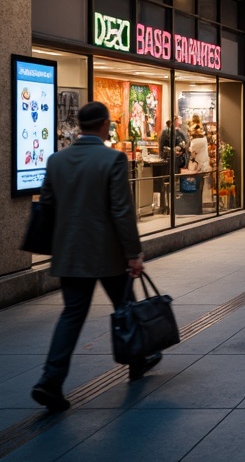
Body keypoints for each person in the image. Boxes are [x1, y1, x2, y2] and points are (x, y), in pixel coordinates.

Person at [32, 101, 156, 413]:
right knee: (125, 306)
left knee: (72, 315)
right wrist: (133, 253)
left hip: (70, 253)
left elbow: (46, 204)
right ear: (103, 125)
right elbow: (121, 210)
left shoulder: (57, 160)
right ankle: (138, 360)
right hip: (107, 253)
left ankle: (50, 380)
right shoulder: (112, 159)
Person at [188, 119, 211, 205]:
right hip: (204, 163)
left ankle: (196, 203)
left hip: (198, 165)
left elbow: (193, 151)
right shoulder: (204, 139)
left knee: (196, 185)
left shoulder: (195, 142)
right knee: (202, 184)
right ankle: (200, 202)